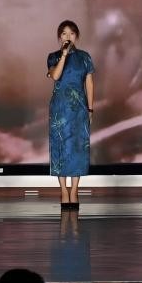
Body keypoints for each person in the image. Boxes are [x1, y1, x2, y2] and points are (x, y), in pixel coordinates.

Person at [46, 20, 94, 209]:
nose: (68, 37)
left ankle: (74, 190)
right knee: (61, 148)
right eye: (64, 34)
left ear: (77, 36)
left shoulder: (85, 57)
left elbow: (89, 83)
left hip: (79, 109)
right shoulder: (53, 57)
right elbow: (56, 76)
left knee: (78, 148)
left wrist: (90, 108)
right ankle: (64, 191)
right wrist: (64, 55)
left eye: (72, 33)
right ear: (60, 37)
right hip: (59, 109)